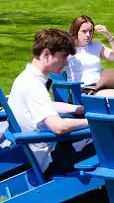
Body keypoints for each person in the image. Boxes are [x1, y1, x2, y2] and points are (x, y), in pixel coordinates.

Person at [8, 28, 93, 175]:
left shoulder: (26, 78)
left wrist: (76, 109)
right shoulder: (34, 86)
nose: (66, 63)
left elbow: (45, 105)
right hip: (50, 158)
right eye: (63, 57)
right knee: (108, 142)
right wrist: (94, 120)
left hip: (38, 151)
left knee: (88, 139)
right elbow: (58, 127)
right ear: (46, 54)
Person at [65, 15, 114, 96]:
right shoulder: (67, 49)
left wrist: (109, 36)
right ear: (75, 31)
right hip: (80, 91)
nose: (88, 35)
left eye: (90, 31)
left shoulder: (96, 46)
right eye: (84, 31)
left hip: (98, 87)